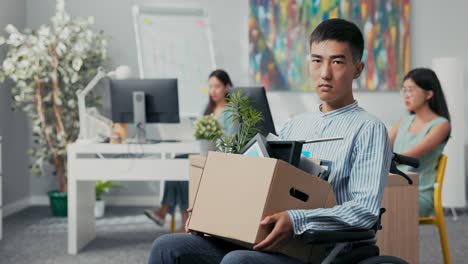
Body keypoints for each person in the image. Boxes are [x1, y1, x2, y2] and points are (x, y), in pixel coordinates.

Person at [148, 18, 392, 263]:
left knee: (238, 261)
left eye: (337, 62)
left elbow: (364, 211)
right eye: (317, 61)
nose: (325, 73)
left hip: (319, 250)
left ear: (357, 69)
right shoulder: (294, 125)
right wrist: (212, 210)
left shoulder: (369, 129)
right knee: (168, 246)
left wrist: (297, 220)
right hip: (268, 238)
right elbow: (260, 186)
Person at [144, 69, 236, 232]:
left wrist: (214, 136)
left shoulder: (231, 112)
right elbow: (197, 132)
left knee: (187, 167)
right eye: (210, 86)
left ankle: (172, 215)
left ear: (227, 87)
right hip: (203, 152)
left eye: (217, 86)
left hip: (218, 157)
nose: (213, 91)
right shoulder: (207, 109)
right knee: (176, 162)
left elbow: (232, 141)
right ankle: (171, 214)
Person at [389, 68, 451, 217]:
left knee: (376, 206)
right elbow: (381, 147)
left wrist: (384, 159)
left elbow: (411, 157)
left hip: (418, 192)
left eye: (410, 90)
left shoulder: (441, 125)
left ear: (429, 94)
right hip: (393, 186)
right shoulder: (404, 121)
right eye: (403, 90)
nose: (406, 95)